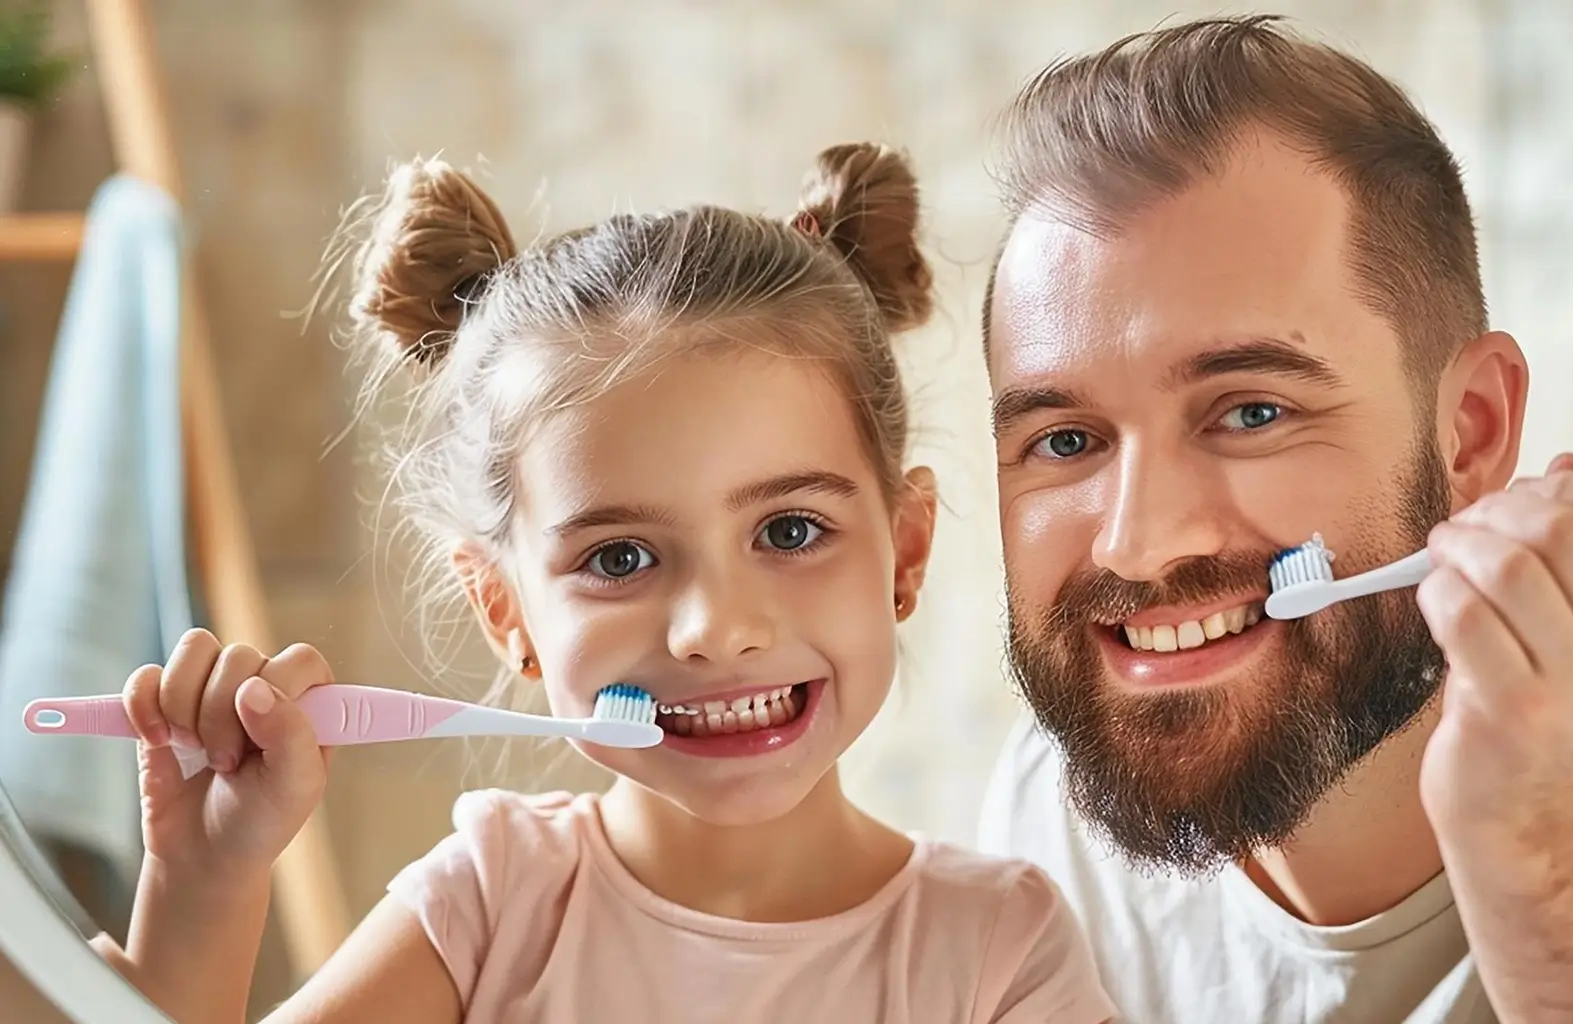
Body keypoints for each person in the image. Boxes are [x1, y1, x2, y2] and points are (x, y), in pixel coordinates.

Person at [98, 144, 1118, 1024]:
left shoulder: (996, 950)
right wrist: (206, 883)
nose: (715, 630)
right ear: (505, 610)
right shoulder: (490, 905)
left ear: (903, 550)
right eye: (620, 558)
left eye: (790, 529)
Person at [976, 14, 1573, 1024]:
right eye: (1065, 441)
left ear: (1470, 433)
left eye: (1250, 412)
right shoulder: (1049, 812)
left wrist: (1533, 830)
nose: (1139, 542)